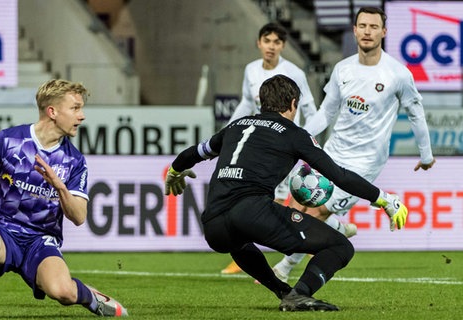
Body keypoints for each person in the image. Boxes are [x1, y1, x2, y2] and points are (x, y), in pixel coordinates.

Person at [164, 74, 409, 311]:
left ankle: (283, 292)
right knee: (340, 247)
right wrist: (382, 199)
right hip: (252, 213)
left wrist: (175, 171)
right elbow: (339, 175)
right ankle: (301, 294)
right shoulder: (294, 134)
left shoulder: (236, 126)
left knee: (238, 243)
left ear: (262, 103)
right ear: (293, 104)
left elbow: (193, 153)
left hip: (213, 224)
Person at [271, 6, 436, 283]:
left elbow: (415, 113)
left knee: (317, 211)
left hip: (366, 162)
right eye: (362, 26)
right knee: (298, 205)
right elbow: (326, 113)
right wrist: (294, 137)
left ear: (383, 32)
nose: (367, 31)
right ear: (354, 30)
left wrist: (426, 154)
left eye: (373, 26)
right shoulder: (342, 69)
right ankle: (339, 226)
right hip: (332, 152)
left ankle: (284, 268)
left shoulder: (397, 74)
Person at [0, 79, 128, 319]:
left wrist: (60, 186)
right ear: (52, 111)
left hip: (40, 239)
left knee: (63, 292)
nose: (82, 115)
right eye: (75, 108)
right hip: (2, 229)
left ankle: (92, 298)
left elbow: (78, 217)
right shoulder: (8, 140)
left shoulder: (74, 161)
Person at [221, 22, 356, 275]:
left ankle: (252, 255)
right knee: (263, 202)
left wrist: (304, 142)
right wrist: (228, 132)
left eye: (276, 42)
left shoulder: (294, 72)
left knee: (275, 204)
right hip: (257, 147)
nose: (271, 46)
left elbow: (309, 109)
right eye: (267, 41)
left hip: (284, 149)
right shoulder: (251, 70)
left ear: (283, 45)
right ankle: (335, 226)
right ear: (259, 43)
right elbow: (245, 104)